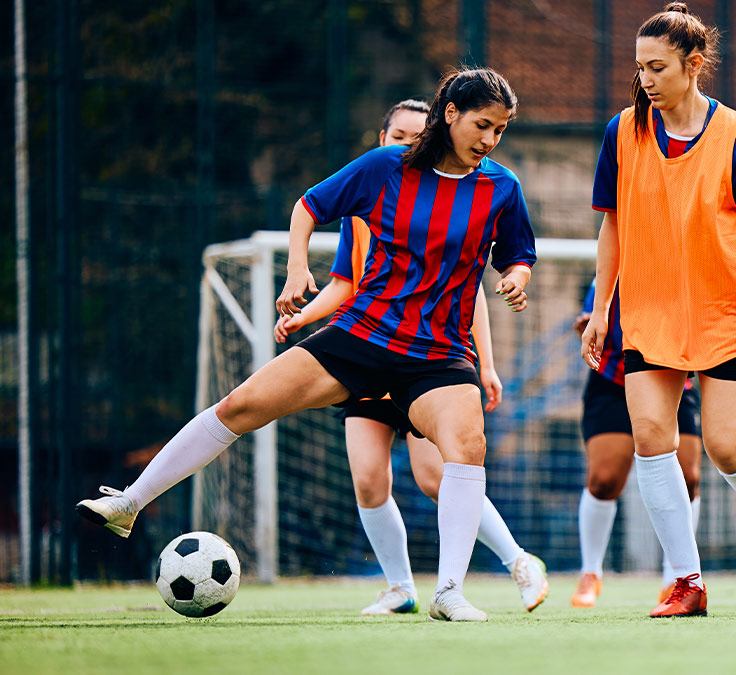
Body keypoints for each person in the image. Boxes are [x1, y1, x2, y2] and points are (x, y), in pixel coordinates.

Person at [77, 68, 535, 622]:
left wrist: (516, 278)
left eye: (501, 130)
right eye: (483, 125)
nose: (489, 140)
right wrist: (297, 271)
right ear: (451, 114)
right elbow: (308, 206)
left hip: (439, 354)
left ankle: (448, 592)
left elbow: (516, 255)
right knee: (239, 407)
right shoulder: (385, 167)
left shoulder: (501, 187)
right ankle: (129, 502)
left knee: (467, 448)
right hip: (363, 335)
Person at [272, 99, 548, 615]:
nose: (405, 145)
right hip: (365, 350)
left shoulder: (475, 193)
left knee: (435, 475)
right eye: (397, 135)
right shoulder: (367, 201)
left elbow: (470, 293)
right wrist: (304, 318)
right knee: (368, 477)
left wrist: (485, 364)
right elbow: (343, 285)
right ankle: (401, 587)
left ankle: (516, 562)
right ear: (381, 138)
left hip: (428, 361)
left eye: (413, 137)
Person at [580, 3, 736, 618]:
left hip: (724, 311)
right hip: (646, 313)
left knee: (726, 449)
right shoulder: (622, 131)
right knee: (651, 441)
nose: (646, 79)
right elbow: (613, 226)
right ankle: (687, 581)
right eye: (640, 67)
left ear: (693, 64)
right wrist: (602, 307)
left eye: (657, 67)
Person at [570, 280, 703, 608]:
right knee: (604, 480)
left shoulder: (686, 266)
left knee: (689, 478)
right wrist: (590, 324)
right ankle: (591, 573)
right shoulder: (613, 270)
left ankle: (676, 576)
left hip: (672, 376)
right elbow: (591, 315)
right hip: (613, 378)